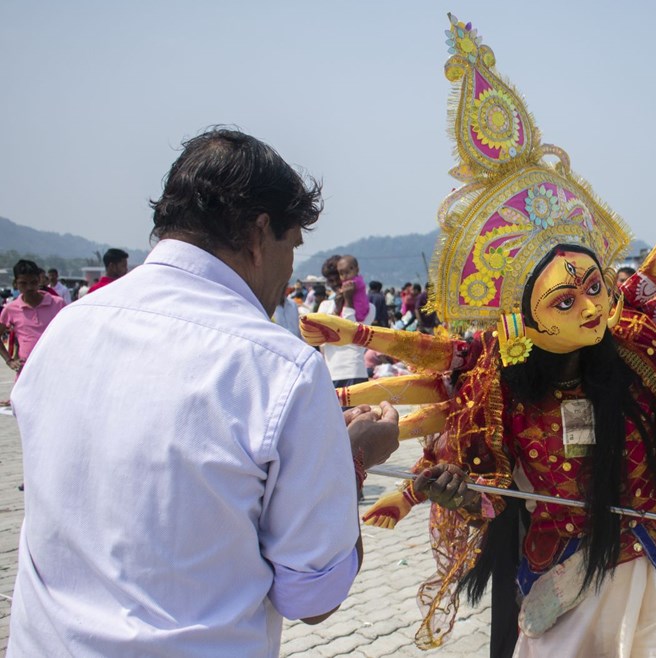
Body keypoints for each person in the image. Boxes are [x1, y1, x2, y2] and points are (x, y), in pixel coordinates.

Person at [301, 17, 656, 655]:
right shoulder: (493, 388)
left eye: (593, 285)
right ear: (524, 320)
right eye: (565, 299)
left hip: (653, 576)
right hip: (562, 581)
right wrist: (442, 487)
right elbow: (479, 486)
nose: (591, 306)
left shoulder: (637, 353)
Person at [7, 128, 400, 656]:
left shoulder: (65, 330)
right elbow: (312, 596)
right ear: (261, 233)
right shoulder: (279, 369)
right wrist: (349, 460)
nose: (289, 272)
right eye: (293, 245)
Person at [0, 260, 67, 402]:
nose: (30, 287)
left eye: (33, 282)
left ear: (40, 280)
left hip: (55, 373)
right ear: (15, 284)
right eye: (23, 283)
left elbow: (70, 334)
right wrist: (9, 361)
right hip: (26, 375)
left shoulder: (58, 303)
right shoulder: (11, 309)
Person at [318, 255, 374, 388]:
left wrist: (348, 301)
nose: (335, 284)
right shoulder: (326, 306)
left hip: (354, 371)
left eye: (337, 278)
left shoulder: (368, 308)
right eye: (330, 281)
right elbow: (321, 339)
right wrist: (337, 310)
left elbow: (351, 332)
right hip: (332, 373)